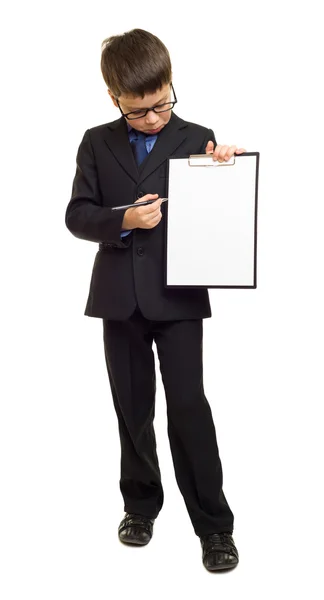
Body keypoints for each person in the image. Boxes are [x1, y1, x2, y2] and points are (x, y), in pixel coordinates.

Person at [65, 28, 246, 572]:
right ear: (114, 97)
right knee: (133, 408)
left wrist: (226, 175)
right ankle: (140, 505)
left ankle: (214, 526)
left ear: (171, 86)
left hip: (179, 295)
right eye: (139, 111)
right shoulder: (96, 142)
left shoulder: (199, 135)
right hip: (119, 298)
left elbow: (218, 212)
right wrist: (123, 219)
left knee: (189, 408)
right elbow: (77, 215)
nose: (154, 119)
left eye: (162, 104)